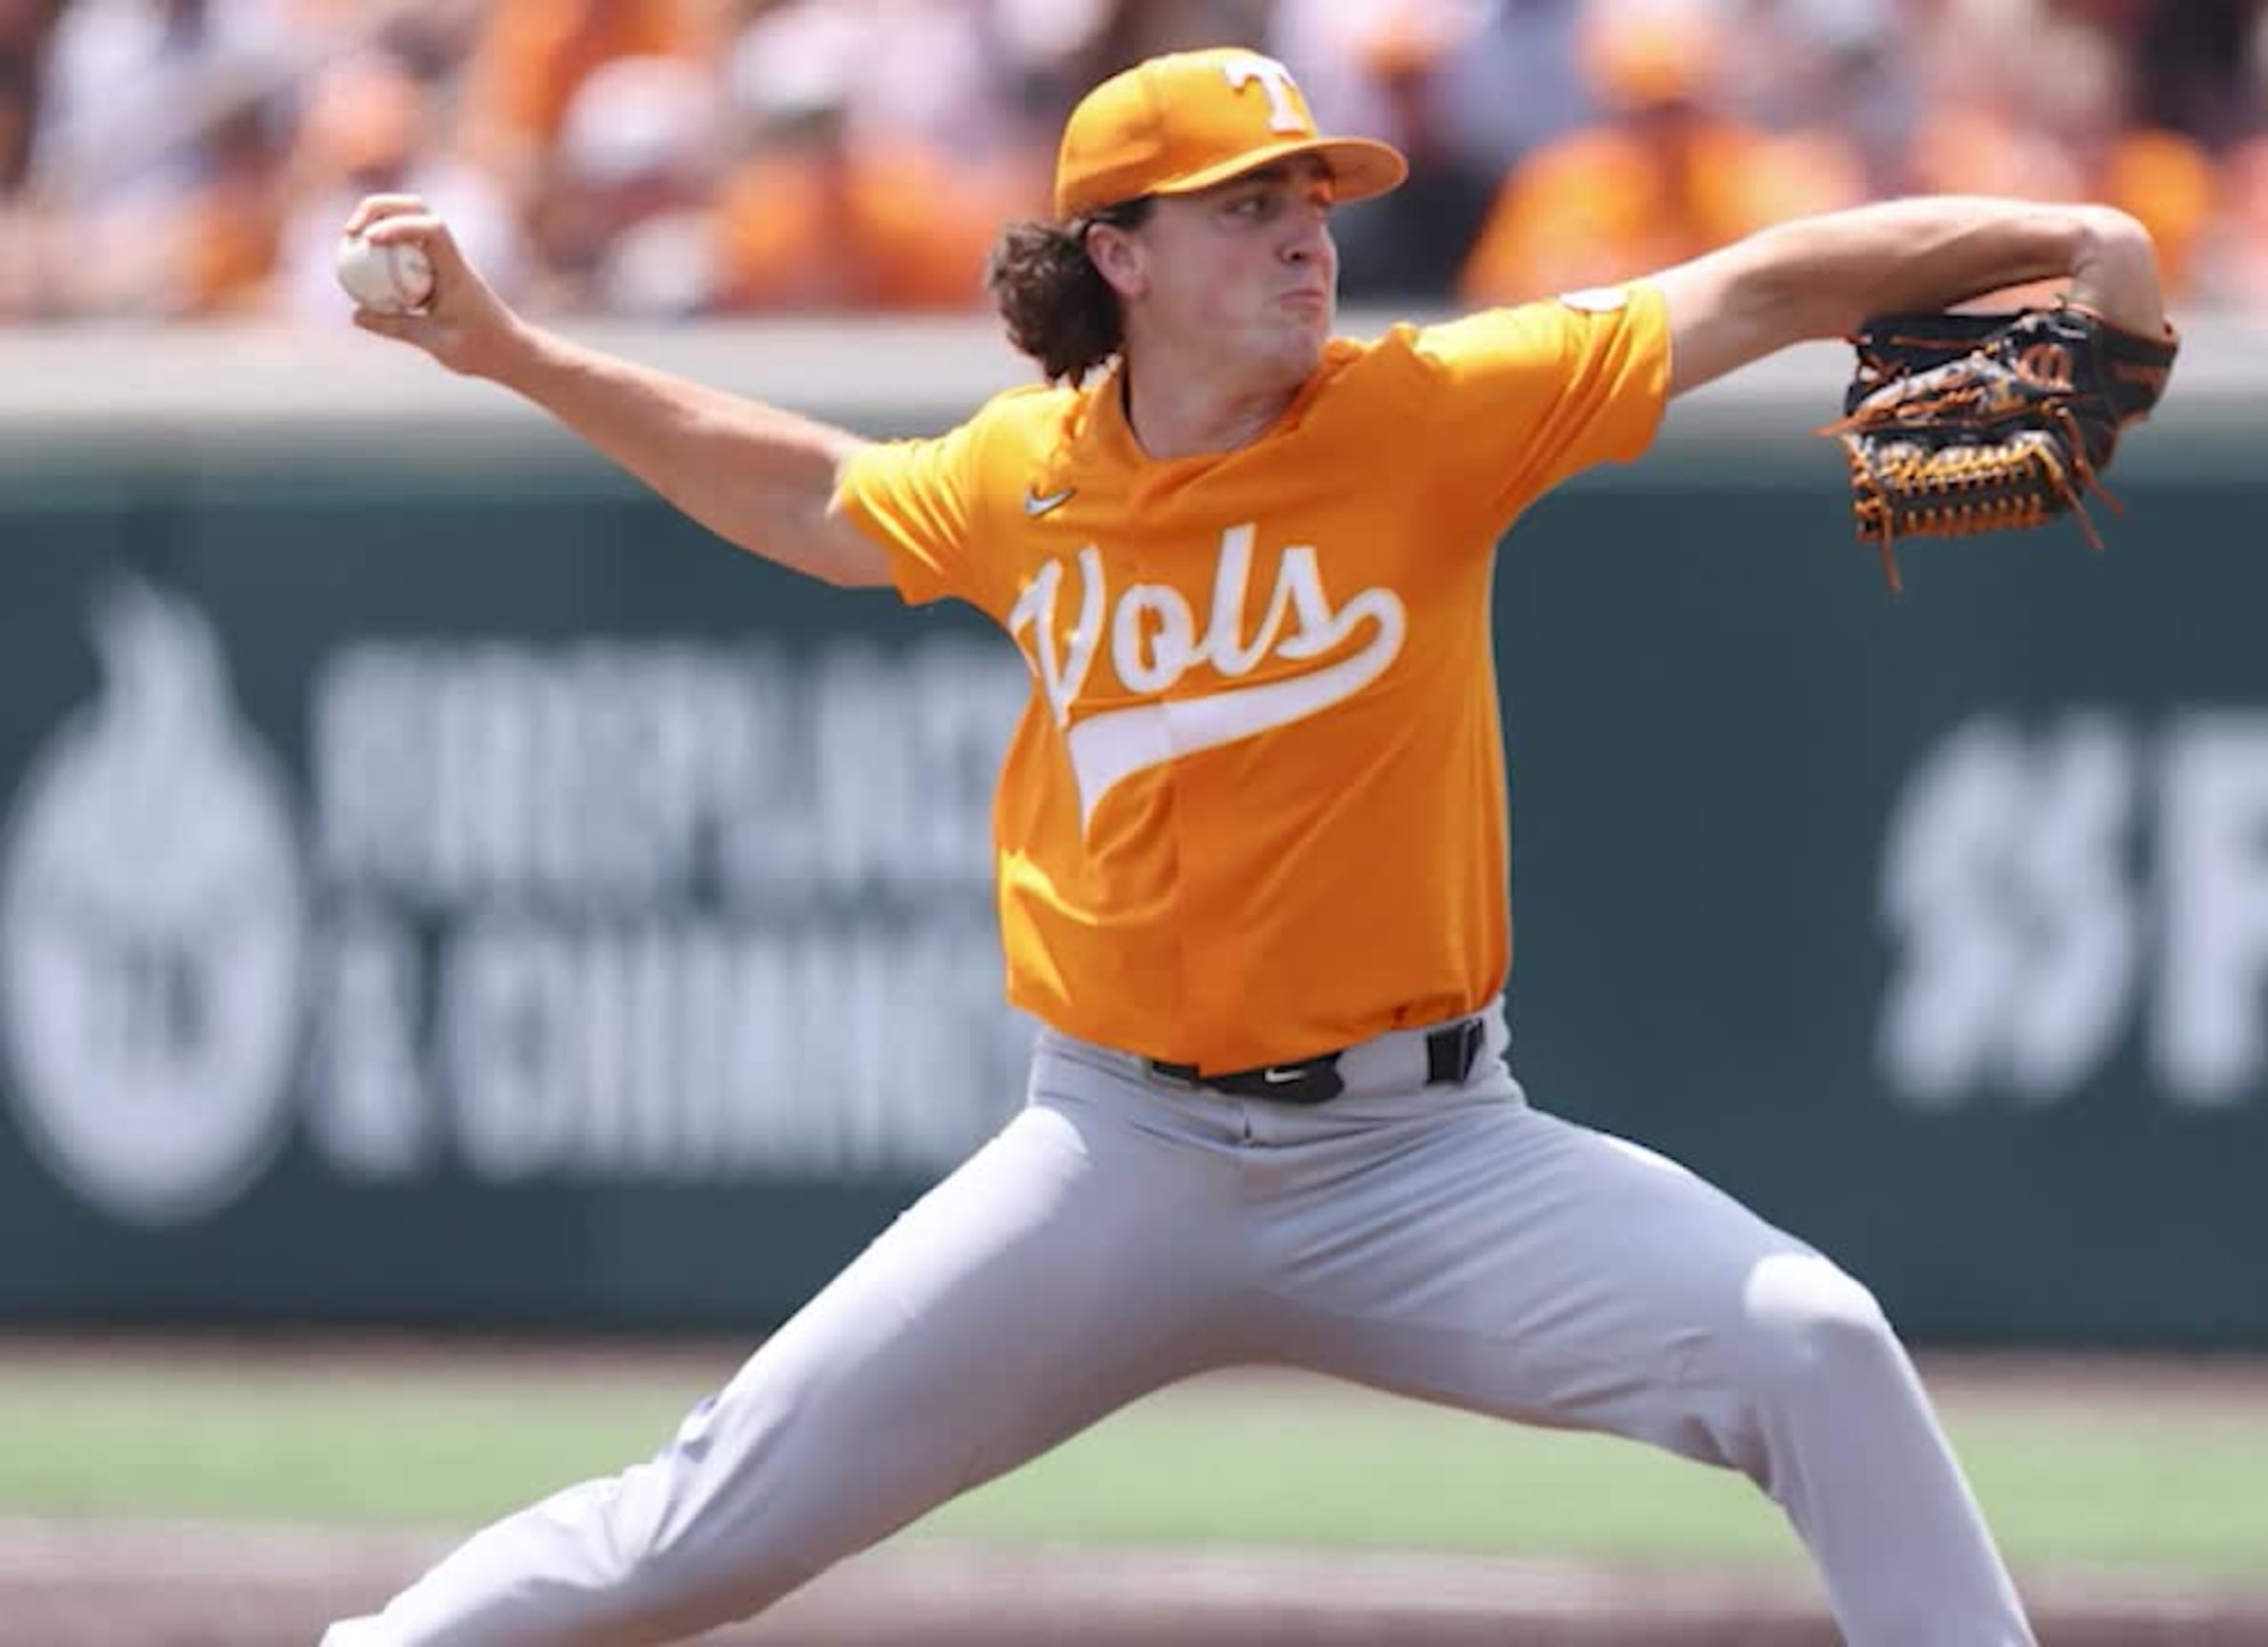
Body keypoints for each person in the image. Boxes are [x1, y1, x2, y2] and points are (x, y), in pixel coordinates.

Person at [317, 44, 2167, 1647]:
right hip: (1113, 1153)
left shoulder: (1432, 413)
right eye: (1242, 203)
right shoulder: (1024, 478)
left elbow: (1758, 287)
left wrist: (2063, 238)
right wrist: (507, 347)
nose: (1305, 231)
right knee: (692, 1534)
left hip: (1431, 1155)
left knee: (1814, 1342)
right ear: (1118, 253)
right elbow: (809, 495)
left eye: (1313, 193)